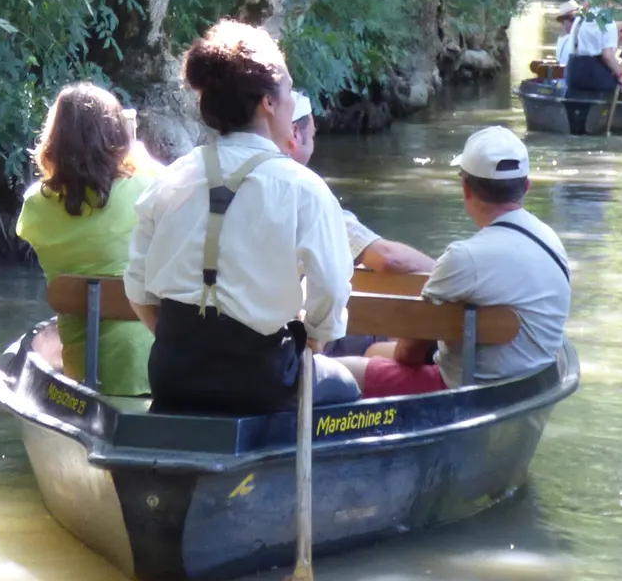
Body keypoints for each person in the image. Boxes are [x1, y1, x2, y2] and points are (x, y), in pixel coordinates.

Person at [124, 21, 362, 414]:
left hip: (172, 374)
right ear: (268, 102)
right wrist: (316, 342)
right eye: (288, 90)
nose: (292, 101)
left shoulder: (169, 180)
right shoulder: (303, 188)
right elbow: (333, 289)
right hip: (262, 379)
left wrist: (178, 344)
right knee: (346, 385)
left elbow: (136, 285)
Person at [339, 126, 572, 399]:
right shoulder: (552, 242)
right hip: (528, 385)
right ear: (527, 187)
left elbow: (407, 354)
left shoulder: (464, 257)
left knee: (345, 367)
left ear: (465, 188)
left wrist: (374, 353)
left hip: (463, 390)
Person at [17, 84, 158, 395]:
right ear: (118, 139)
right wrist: (141, 158)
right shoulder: (148, 189)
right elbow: (181, 190)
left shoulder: (35, 207)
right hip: (153, 366)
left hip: (83, 368)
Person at [284, 92, 434, 274]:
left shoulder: (247, 179)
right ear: (295, 134)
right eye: (313, 136)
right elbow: (387, 258)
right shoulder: (304, 194)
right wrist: (447, 274)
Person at [560, 2, 622, 135]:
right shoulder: (607, 21)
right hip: (594, 72)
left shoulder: (580, 18)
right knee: (618, 87)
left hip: (574, 70)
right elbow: (607, 55)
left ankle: (576, 131)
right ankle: (603, 127)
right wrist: (619, 74)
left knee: (576, 110)